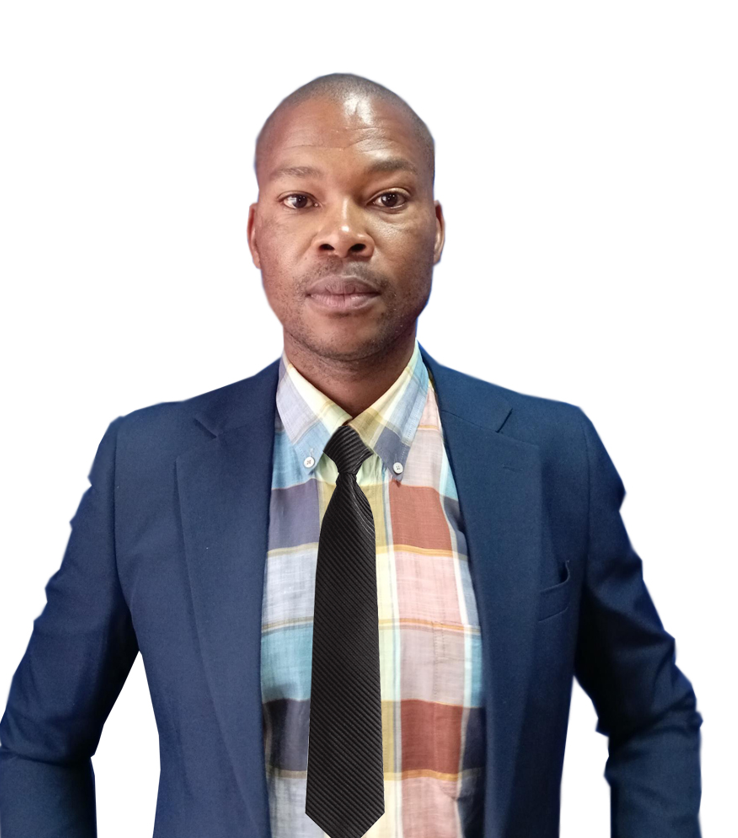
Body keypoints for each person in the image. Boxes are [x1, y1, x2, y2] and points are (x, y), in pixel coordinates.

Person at [0, 72, 702, 838]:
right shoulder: (149, 466)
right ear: (255, 234)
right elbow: (38, 745)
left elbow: (652, 716)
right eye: (301, 201)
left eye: (387, 199)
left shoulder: (549, 457)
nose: (343, 233)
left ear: (436, 230)